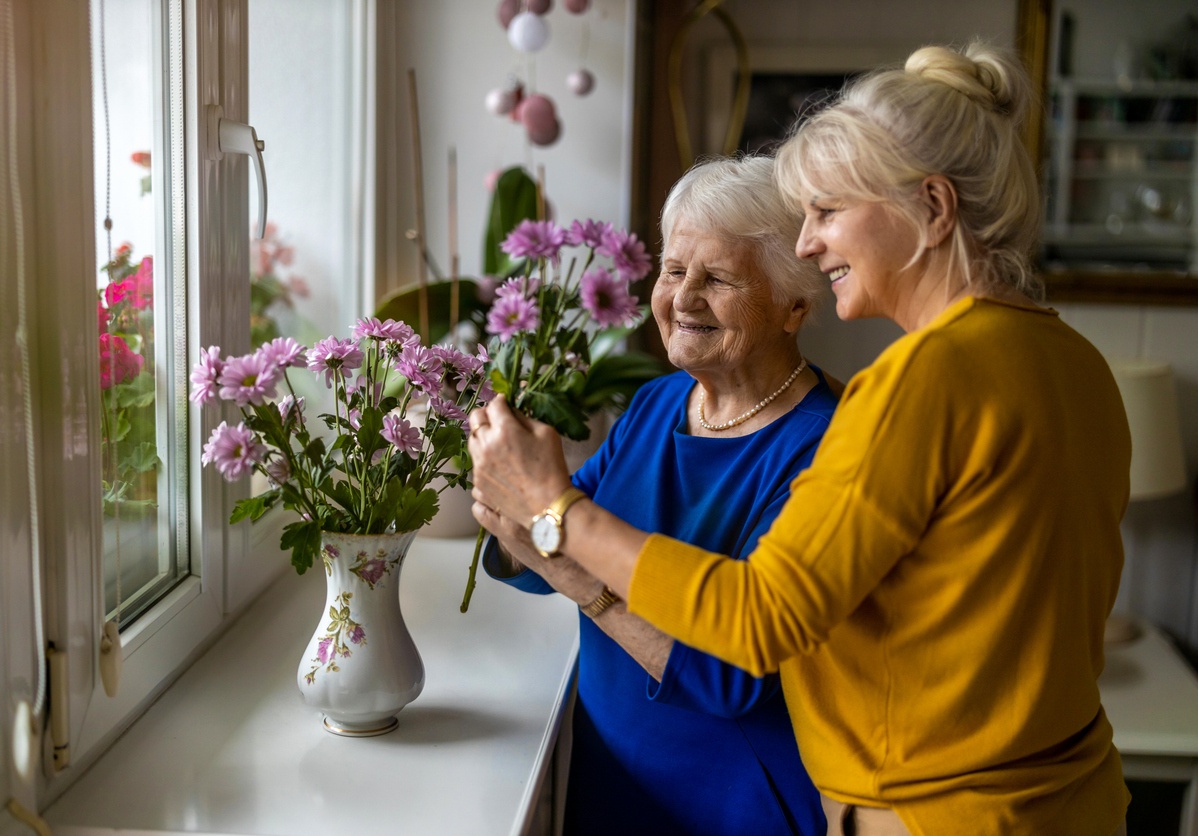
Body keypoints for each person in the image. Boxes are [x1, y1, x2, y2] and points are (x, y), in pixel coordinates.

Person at [468, 42, 1131, 836]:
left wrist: (556, 513)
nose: (812, 244)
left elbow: (754, 623)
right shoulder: (1075, 359)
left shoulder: (918, 382)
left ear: (932, 207)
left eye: (827, 211)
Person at [482, 155, 836, 835]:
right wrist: (505, 485)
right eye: (674, 271)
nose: (683, 298)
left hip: (733, 802)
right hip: (613, 779)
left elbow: (730, 677)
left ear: (794, 305)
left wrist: (569, 565)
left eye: (719, 278)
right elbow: (545, 540)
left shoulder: (824, 447)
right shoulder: (657, 403)